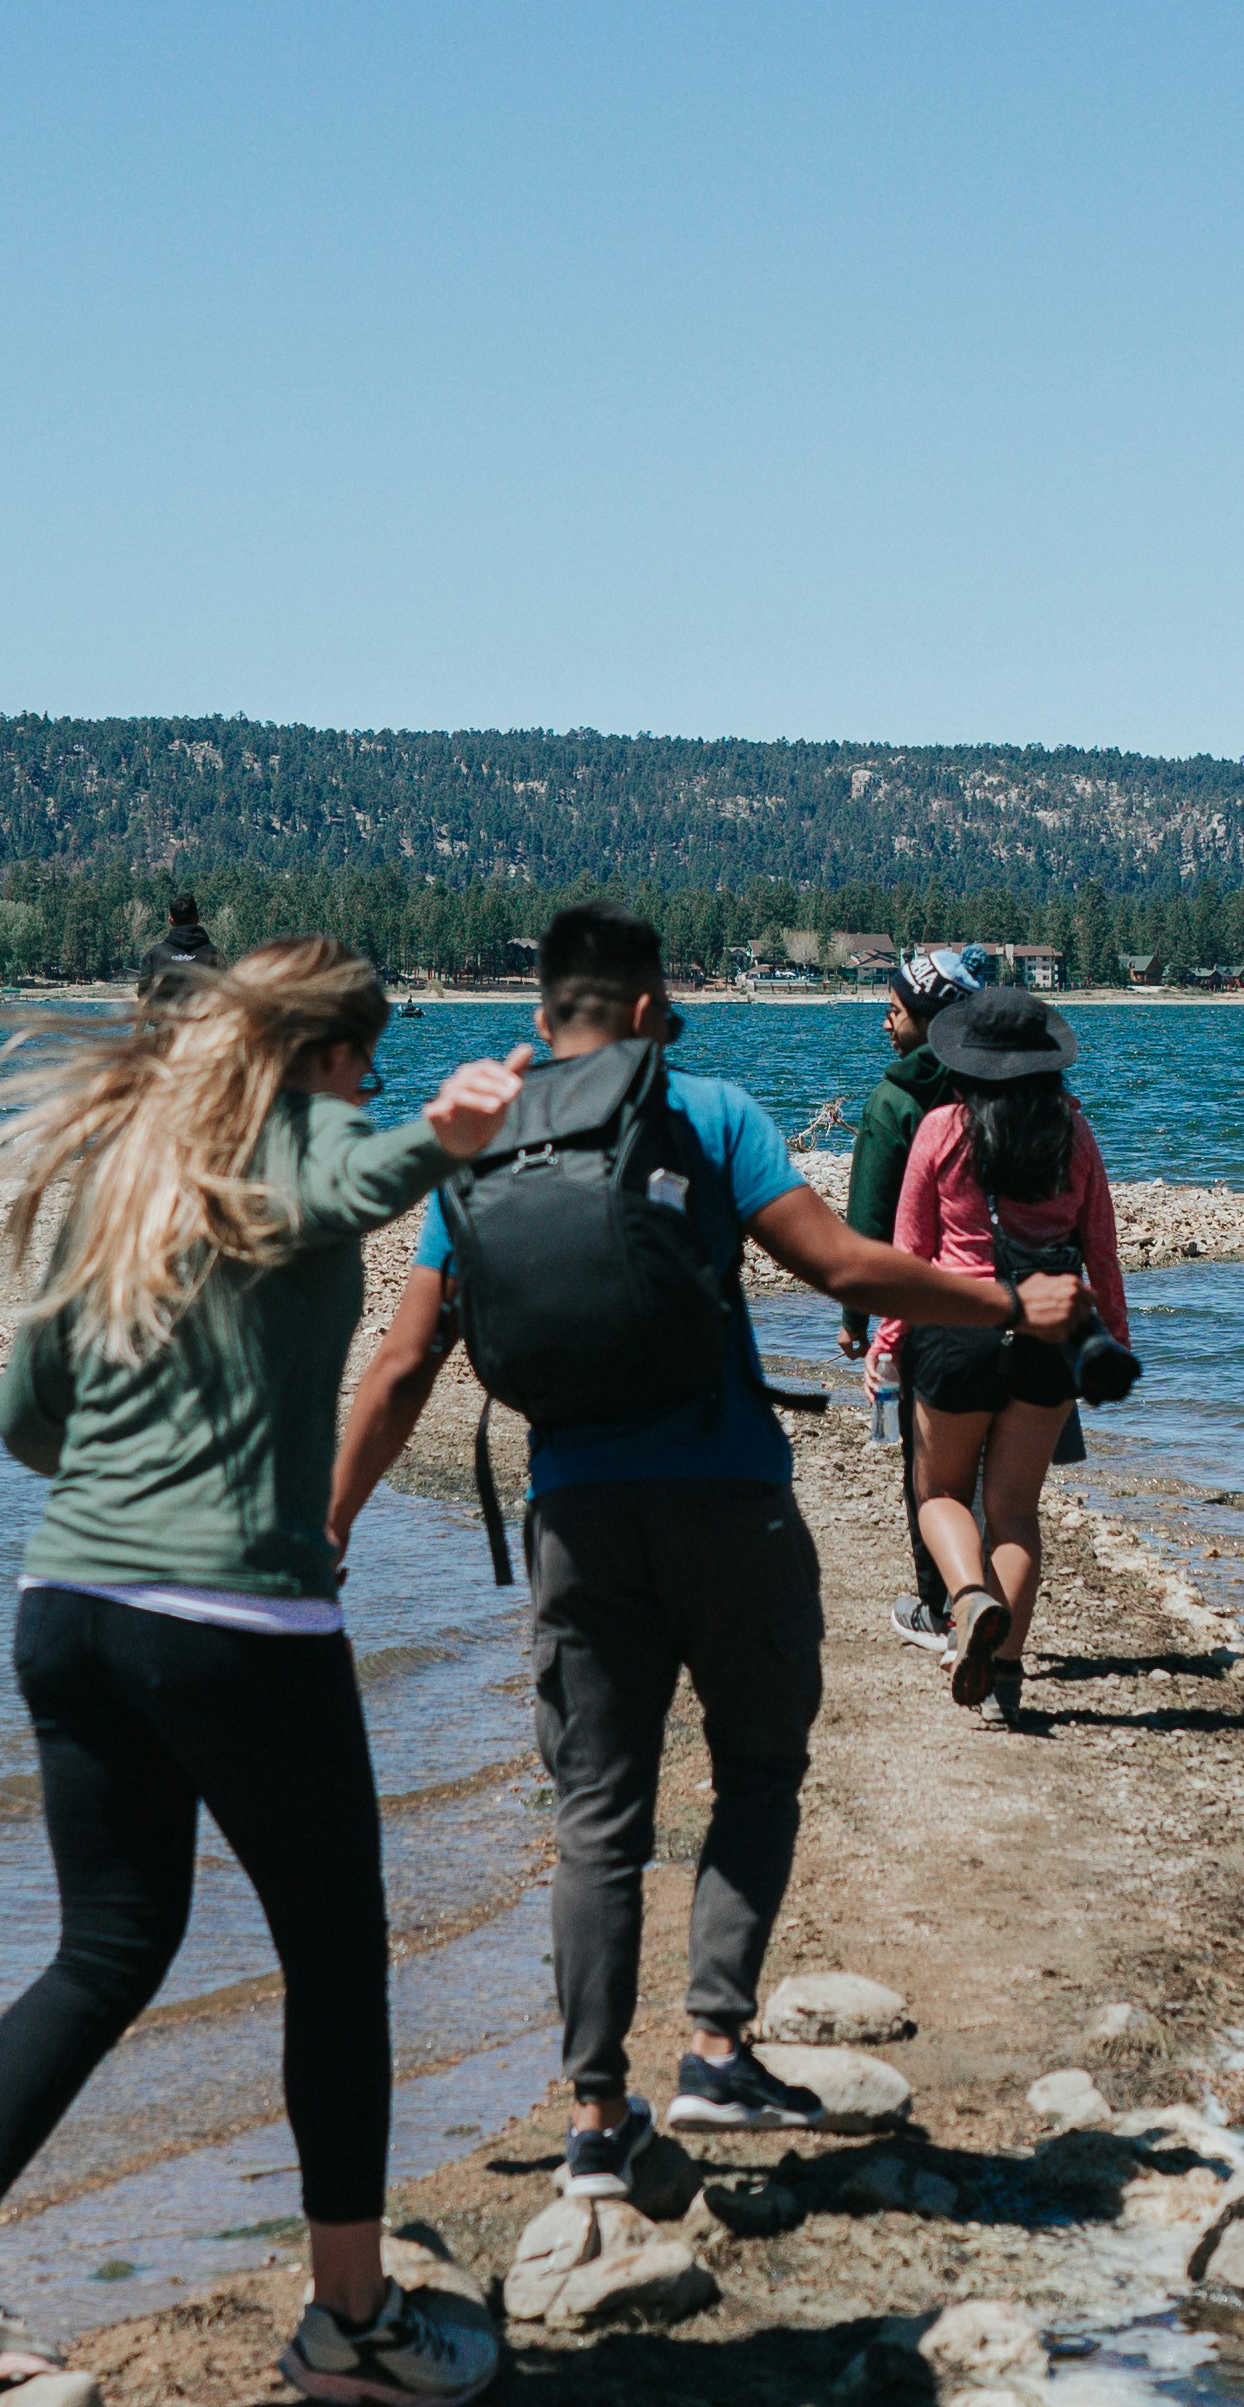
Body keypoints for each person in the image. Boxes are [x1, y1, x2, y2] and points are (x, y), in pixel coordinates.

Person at [0, 941, 535, 2407]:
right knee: (338, 1960)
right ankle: (349, 2319)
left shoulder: (127, 1166)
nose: (371, 1088)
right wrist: (442, 1132)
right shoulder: (315, 1124)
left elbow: (31, 1421)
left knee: (105, 1950)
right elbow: (351, 1182)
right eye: (371, 1062)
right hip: (230, 1622)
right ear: (330, 1053)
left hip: (66, 1604)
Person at [328, 898, 1075, 2194]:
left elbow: (400, 1369)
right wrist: (1008, 1299)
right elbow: (843, 1268)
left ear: (541, 1012)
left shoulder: (480, 1144)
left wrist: (326, 1528)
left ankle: (596, 2123)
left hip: (574, 1523)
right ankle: (719, 2045)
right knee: (761, 1768)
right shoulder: (712, 1114)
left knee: (597, 1819)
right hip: (731, 1502)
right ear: (639, 1008)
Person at [881, 982, 1130, 1715]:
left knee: (939, 1495)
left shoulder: (941, 1128)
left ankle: (967, 1600)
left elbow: (910, 1250)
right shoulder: (1075, 1135)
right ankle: (1008, 1679)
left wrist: (888, 1340)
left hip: (957, 1331)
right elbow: (1102, 1252)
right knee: (1016, 1513)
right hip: (1050, 1333)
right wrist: (1107, 1340)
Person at [843, 947, 978, 1652]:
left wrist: (856, 1319)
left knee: (928, 1471)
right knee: (998, 1481)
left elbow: (869, 1219)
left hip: (923, 1303)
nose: (885, 1026)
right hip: (1016, 1301)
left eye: (894, 1012)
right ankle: (987, 1601)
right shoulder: (1000, 1088)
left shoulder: (894, 1100)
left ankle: (943, 1605)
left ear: (928, 1021)